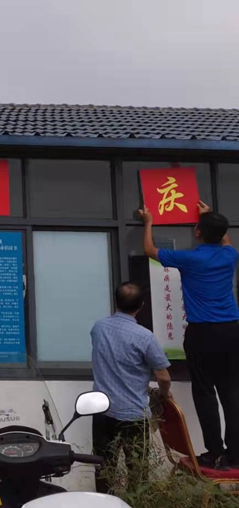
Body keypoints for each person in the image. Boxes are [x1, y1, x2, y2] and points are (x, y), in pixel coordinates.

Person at [139, 201, 239, 469]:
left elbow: (149, 250)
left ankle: (214, 453)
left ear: (197, 232)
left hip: (203, 332)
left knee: (205, 392)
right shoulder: (230, 255)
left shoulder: (191, 258)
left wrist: (148, 222)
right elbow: (225, 240)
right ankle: (235, 454)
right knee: (231, 391)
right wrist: (208, 217)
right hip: (232, 330)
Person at [91, 281, 172, 494]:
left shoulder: (99, 328)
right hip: (133, 415)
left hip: (102, 411)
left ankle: (103, 504)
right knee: (137, 472)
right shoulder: (145, 337)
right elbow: (163, 377)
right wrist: (163, 396)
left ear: (115, 302)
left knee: (103, 468)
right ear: (141, 305)